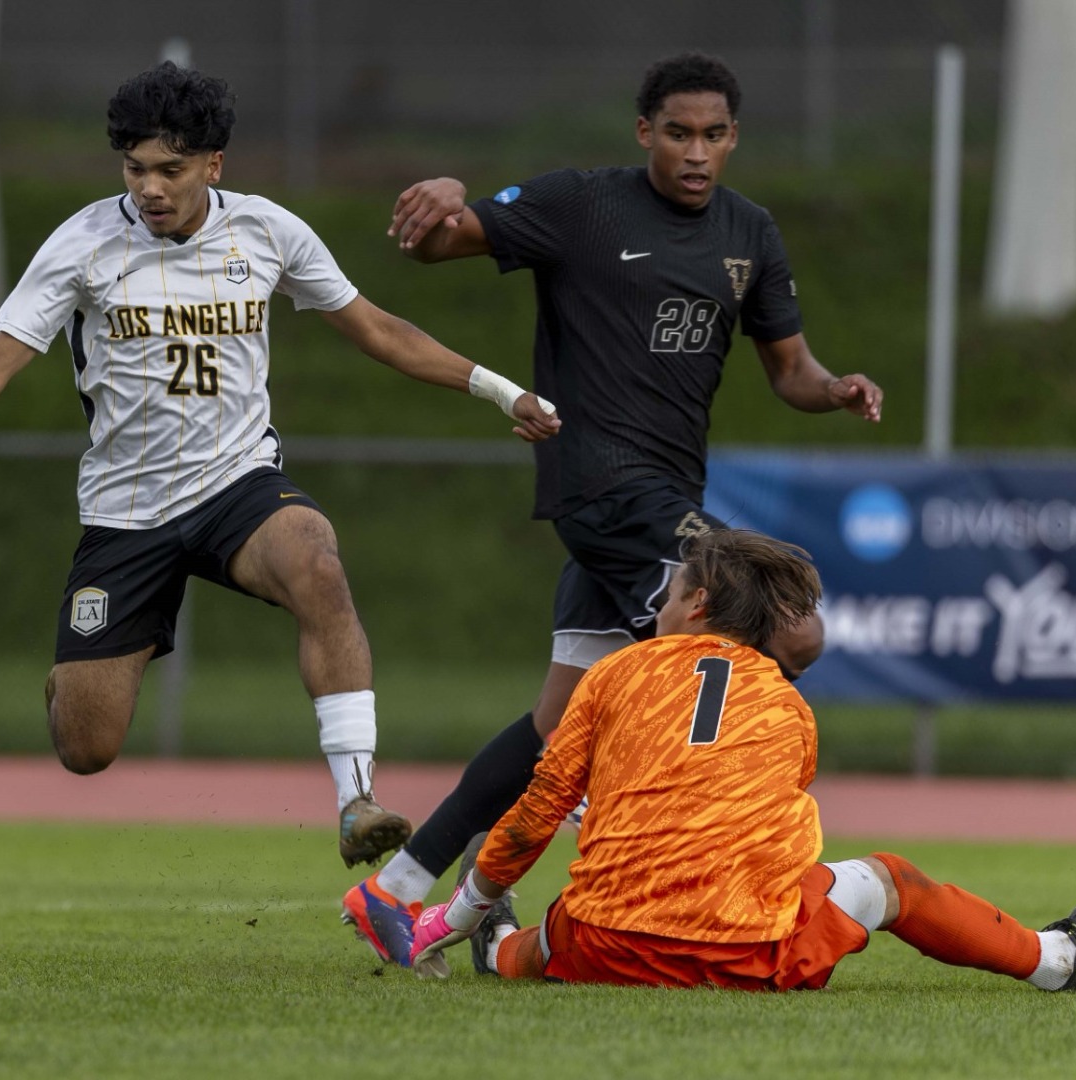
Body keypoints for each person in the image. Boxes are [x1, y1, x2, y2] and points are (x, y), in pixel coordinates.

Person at [0, 63, 559, 868]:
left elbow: (380, 331)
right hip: (126, 514)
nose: (150, 187)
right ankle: (70, 678)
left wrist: (499, 390)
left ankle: (356, 800)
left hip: (236, 485)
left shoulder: (268, 233)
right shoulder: (83, 244)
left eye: (170, 170)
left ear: (214, 164)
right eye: (135, 168)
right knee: (87, 747)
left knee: (316, 558)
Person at [344, 51, 883, 960]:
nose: (696, 152)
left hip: (664, 499)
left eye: (714, 135)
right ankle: (692, 841)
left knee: (556, 726)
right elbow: (438, 242)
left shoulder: (751, 231)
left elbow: (790, 369)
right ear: (645, 134)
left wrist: (836, 390)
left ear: (734, 137)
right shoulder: (582, 205)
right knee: (793, 632)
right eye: (678, 133)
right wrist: (443, 191)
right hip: (603, 485)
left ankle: (396, 893)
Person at [406, 529, 1076, 992]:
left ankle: (494, 940)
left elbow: (538, 809)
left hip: (605, 945)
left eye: (668, 594)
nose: (657, 606)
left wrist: (459, 908)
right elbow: (756, 828)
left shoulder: (614, 673)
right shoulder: (788, 707)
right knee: (889, 879)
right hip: (747, 957)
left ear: (696, 606)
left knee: (572, 930)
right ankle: (1058, 960)